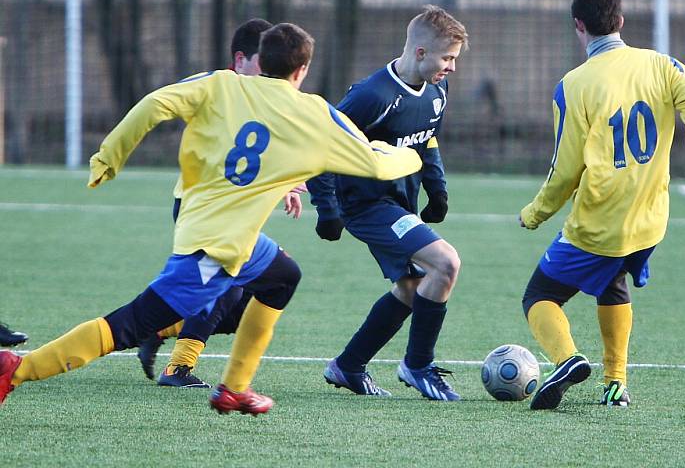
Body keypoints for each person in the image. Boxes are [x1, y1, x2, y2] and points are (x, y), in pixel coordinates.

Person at [0, 23, 422, 416]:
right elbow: (375, 163)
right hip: (216, 247)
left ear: (261, 57)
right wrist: (412, 152)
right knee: (129, 325)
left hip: (216, 229)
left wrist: (110, 154)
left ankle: (235, 388)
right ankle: (15, 369)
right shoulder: (314, 112)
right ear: (302, 70)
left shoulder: (219, 83)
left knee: (282, 276)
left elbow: (154, 103)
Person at [518, 0, 685, 410]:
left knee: (539, 296)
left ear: (578, 24)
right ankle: (616, 384)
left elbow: (566, 168)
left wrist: (535, 213)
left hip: (599, 222)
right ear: (621, 21)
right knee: (613, 281)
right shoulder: (663, 64)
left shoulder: (573, 85)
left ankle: (566, 359)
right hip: (649, 221)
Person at [307, 5, 468, 401]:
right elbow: (322, 143)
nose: (451, 67)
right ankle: (417, 366)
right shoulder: (372, 95)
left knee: (414, 288)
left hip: (401, 202)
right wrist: (326, 207)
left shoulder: (436, 90)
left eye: (454, 59)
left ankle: (348, 366)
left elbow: (427, 140)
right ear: (419, 53)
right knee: (446, 263)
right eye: (447, 58)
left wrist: (438, 190)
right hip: (365, 204)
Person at [136, 18, 307, 389]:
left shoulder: (257, 95)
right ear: (240, 59)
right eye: (261, 63)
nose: (268, 73)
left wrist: (285, 185)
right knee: (232, 286)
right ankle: (176, 366)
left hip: (233, 211)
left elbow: (258, 153)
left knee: (244, 297)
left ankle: (160, 328)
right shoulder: (217, 88)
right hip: (206, 209)